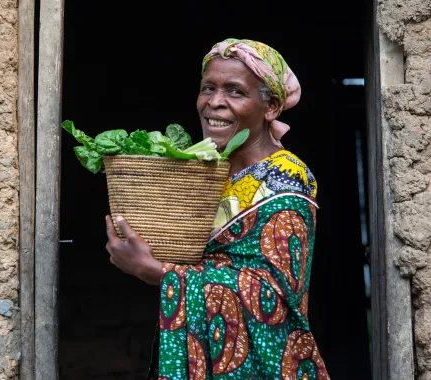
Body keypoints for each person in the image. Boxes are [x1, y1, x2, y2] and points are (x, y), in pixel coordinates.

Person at [105, 38, 330, 379]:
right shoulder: (207, 170)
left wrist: (158, 273)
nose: (215, 102)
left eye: (235, 91)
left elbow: (272, 296)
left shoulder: (285, 176)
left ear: (270, 107)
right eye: (208, 88)